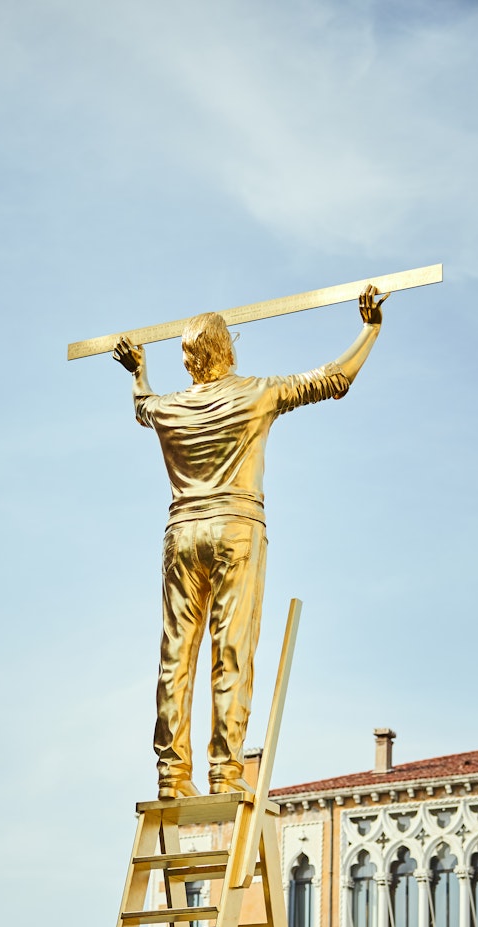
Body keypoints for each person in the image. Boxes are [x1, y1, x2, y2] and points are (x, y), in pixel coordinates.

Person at [113, 285, 386, 800]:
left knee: (176, 654)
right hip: (235, 529)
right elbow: (334, 379)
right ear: (228, 349)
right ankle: (224, 772)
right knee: (231, 651)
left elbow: (143, 406)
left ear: (189, 359)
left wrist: (138, 371)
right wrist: (369, 329)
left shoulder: (170, 409)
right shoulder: (257, 393)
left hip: (182, 533)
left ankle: (171, 774)